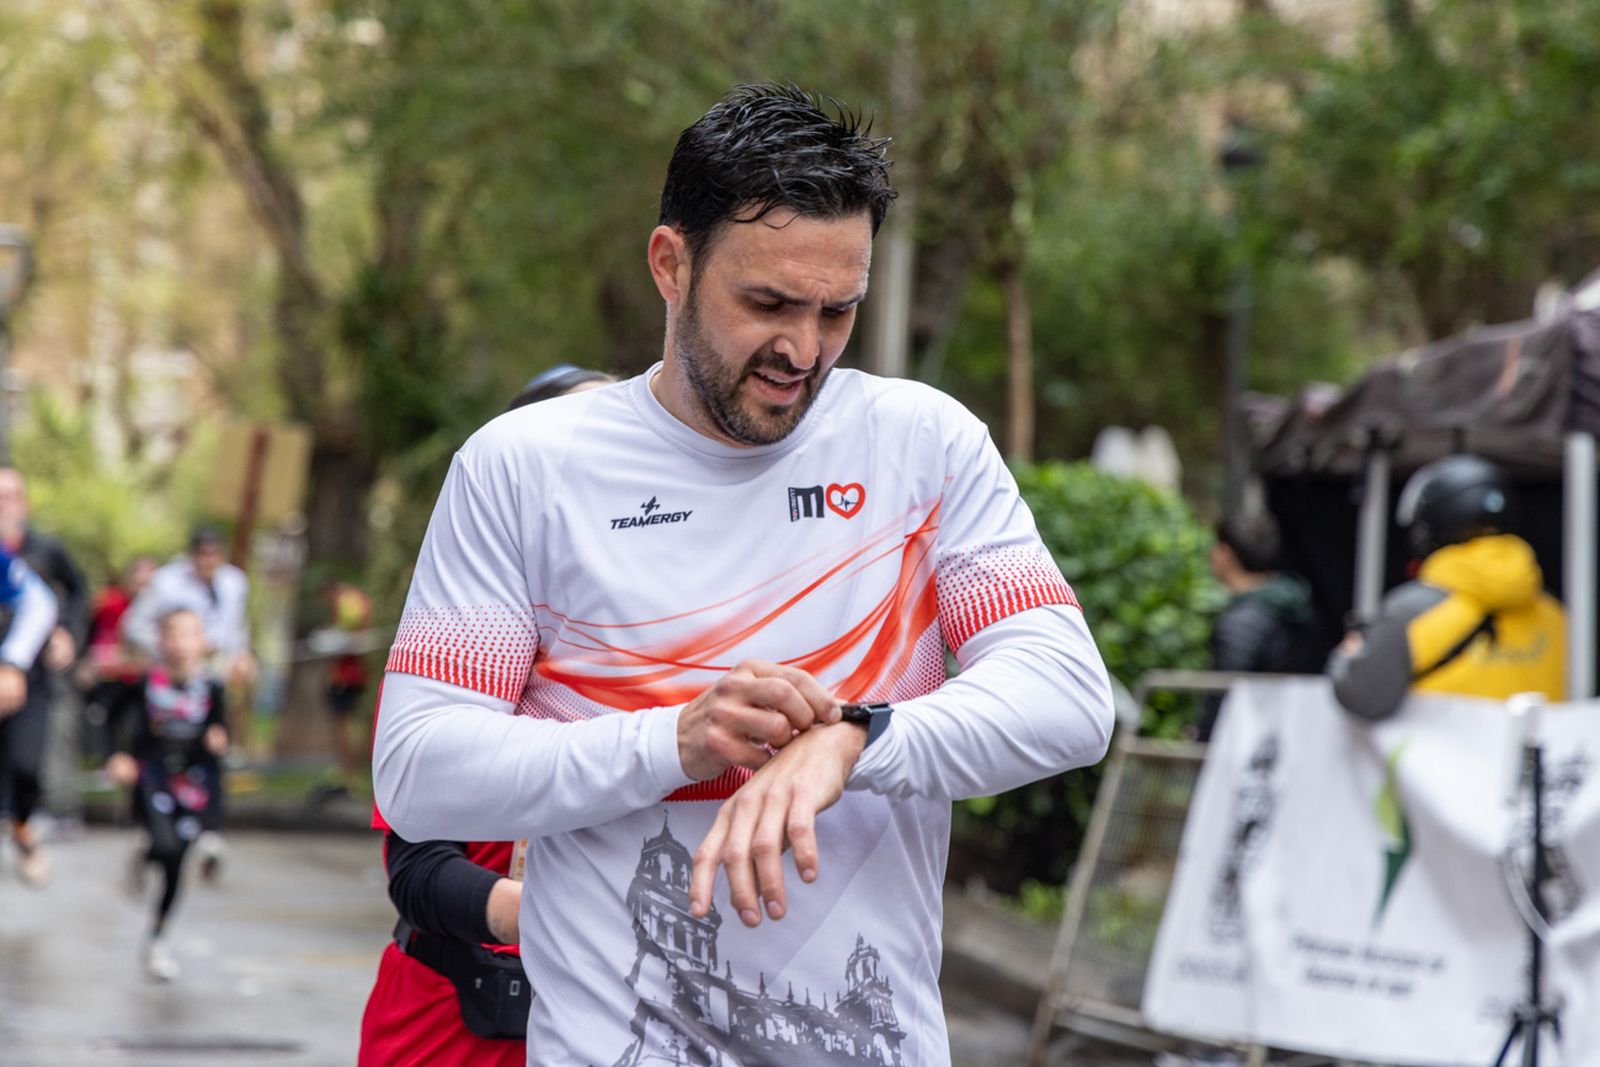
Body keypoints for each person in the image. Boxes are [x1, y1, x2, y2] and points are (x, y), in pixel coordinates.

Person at [372, 84, 1113, 1064]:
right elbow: (417, 768)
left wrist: (855, 738)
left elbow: (1069, 698)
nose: (800, 349)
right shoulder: (524, 467)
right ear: (670, 263)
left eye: (835, 310)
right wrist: (677, 740)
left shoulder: (923, 446)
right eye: (765, 302)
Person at [359, 365, 615, 1067]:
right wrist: (549, 915)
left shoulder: (669, 643)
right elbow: (416, 870)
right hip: (454, 1023)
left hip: (618, 1021)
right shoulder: (447, 648)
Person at [1328, 454, 1566, 720]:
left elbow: (1362, 696)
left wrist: (1346, 658)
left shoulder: (1411, 611)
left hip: (1439, 761)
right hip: (1534, 760)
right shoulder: (1556, 613)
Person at [104, 607, 228, 981]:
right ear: (163, 640)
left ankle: (158, 937)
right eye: (175, 634)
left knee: (176, 865)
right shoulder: (144, 684)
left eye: (191, 634)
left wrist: (214, 829)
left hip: (192, 787)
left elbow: (218, 743)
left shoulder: (212, 687)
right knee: (166, 847)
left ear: (202, 642)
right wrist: (118, 755)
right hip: (151, 779)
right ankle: (144, 852)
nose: (183, 643)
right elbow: (109, 718)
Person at [122, 526, 253, 879]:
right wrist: (175, 645)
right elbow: (134, 625)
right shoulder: (166, 582)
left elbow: (238, 628)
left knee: (213, 746)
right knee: (160, 749)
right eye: (202, 555)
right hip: (169, 679)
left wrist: (240, 655)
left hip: (209, 677)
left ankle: (211, 832)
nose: (208, 562)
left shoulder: (234, 583)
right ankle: (148, 828)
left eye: (214, 555)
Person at [0, 466, 86, 886]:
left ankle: (22, 825)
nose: (4, 504)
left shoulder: (42, 553)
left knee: (27, 766)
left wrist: (66, 634)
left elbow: (50, 600)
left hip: (27, 681)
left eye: (10, 495)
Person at [1197, 512, 1319, 741]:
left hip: (1248, 744)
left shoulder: (1243, 621)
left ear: (1226, 554)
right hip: (1291, 736)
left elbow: (1224, 693)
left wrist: (1204, 739)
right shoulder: (1294, 601)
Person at [78, 555, 159, 760]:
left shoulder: (163, 611)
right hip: (110, 685)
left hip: (146, 688)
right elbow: (94, 646)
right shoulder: (109, 605)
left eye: (148, 584)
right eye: (138, 583)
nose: (142, 590)